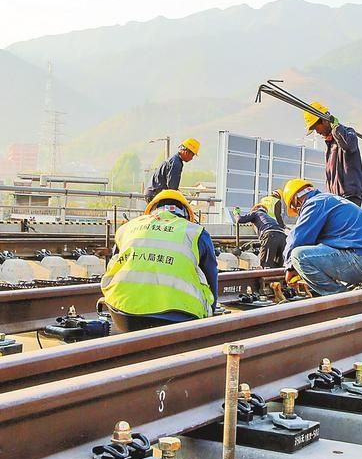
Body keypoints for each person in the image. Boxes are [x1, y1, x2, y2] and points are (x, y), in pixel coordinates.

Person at [102, 189, 218, 332]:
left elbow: (113, 265)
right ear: (186, 214)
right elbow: (211, 275)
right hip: (179, 316)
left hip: (122, 313)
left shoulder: (128, 228)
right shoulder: (196, 233)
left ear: (151, 210)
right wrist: (211, 307)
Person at [281, 178, 362, 296]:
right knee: (318, 248)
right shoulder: (330, 200)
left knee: (298, 256)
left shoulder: (315, 203)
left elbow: (297, 238)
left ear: (296, 201)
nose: (299, 212)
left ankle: (339, 296)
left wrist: (290, 267)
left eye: (296, 209)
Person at [303, 102, 362, 206]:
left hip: (349, 196)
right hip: (335, 197)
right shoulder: (329, 143)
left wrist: (336, 127)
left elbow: (348, 145)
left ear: (324, 121)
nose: (317, 132)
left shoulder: (348, 133)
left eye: (316, 127)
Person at [144, 138, 200, 203]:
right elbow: (172, 187)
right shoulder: (176, 163)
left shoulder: (175, 160)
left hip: (154, 192)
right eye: (192, 155)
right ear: (186, 152)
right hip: (155, 194)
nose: (192, 158)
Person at [233, 203, 288, 268]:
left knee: (265, 265)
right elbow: (268, 242)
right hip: (283, 237)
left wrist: (236, 214)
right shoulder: (270, 219)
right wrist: (251, 245)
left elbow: (239, 220)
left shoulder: (256, 213)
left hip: (270, 234)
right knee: (278, 267)